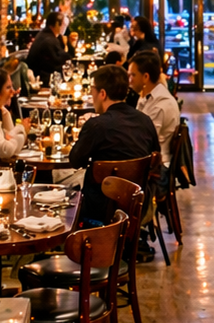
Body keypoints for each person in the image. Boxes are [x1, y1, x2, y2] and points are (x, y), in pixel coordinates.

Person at [68, 64, 160, 226]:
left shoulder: (97, 125)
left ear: (102, 93)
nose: (92, 94)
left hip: (99, 210)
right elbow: (155, 158)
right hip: (138, 206)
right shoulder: (145, 121)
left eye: (92, 90)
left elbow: (75, 161)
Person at [129, 48, 179, 208]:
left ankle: (122, 225)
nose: (129, 80)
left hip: (156, 172)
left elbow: (145, 143)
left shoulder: (160, 104)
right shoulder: (146, 97)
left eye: (133, 75)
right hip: (149, 162)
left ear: (146, 77)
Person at [26, 10, 71, 81]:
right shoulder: (50, 39)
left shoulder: (44, 34)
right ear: (56, 24)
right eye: (63, 24)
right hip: (41, 80)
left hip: (39, 76)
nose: (64, 28)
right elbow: (62, 61)